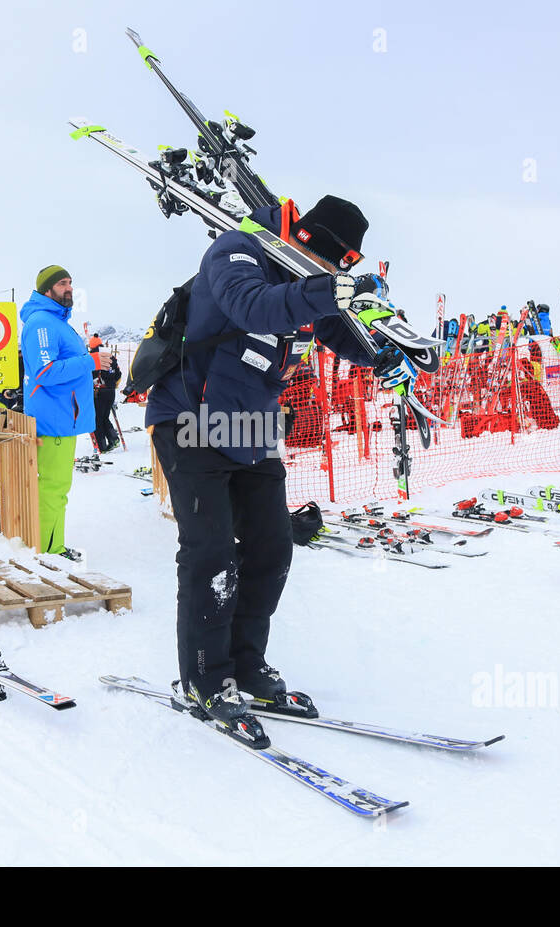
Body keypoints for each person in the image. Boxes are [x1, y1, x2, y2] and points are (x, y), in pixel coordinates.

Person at [145, 193, 413, 740]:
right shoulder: (237, 249)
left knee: (271, 547)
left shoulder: (310, 277)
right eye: (337, 263)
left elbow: (338, 327)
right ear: (310, 241)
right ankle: (204, 679)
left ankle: (247, 667)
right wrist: (326, 288)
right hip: (190, 417)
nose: (335, 274)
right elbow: (253, 306)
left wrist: (383, 353)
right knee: (211, 552)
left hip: (251, 422)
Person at [19, 265, 109, 559]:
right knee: (53, 489)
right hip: (53, 419)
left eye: (70, 282)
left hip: (59, 417)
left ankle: (49, 545)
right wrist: (91, 362)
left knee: (55, 488)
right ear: (47, 290)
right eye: (61, 283)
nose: (69, 287)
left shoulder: (54, 320)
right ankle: (48, 550)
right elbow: (45, 371)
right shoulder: (42, 324)